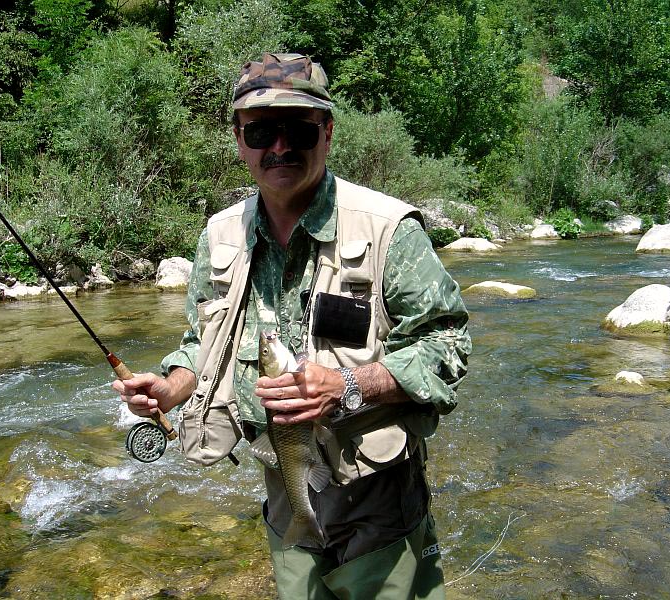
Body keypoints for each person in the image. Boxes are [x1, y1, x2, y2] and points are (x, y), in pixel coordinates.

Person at [113, 52, 471, 599]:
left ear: (326, 132)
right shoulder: (220, 237)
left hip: (378, 494)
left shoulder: (389, 230)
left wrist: (352, 385)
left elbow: (447, 343)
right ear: (238, 138)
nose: (279, 147)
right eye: (260, 131)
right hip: (283, 487)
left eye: (298, 130)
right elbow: (201, 344)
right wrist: (170, 388)